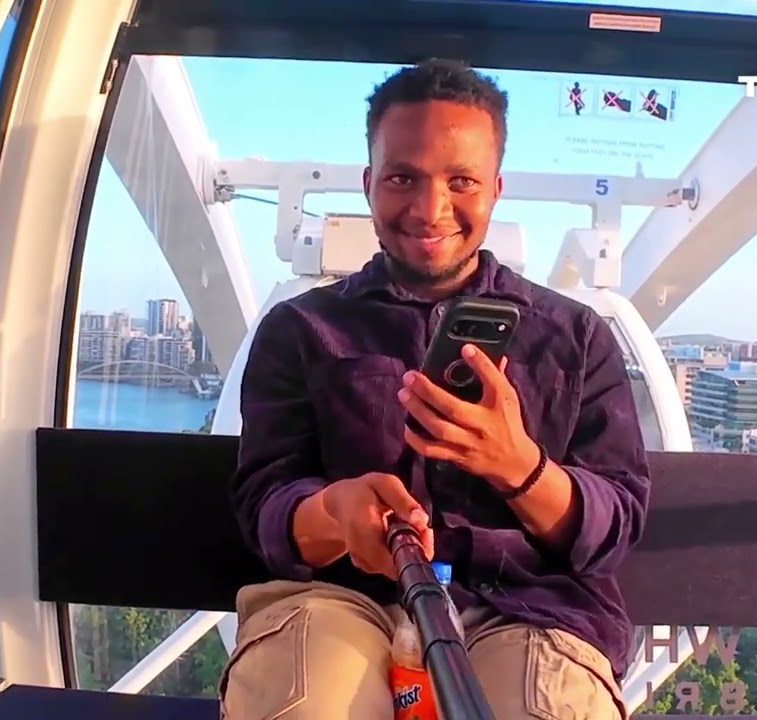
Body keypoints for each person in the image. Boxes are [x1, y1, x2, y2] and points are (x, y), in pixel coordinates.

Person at [224, 58, 651, 719]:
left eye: (461, 181)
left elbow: (614, 526)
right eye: (402, 178)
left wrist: (518, 465)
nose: (430, 210)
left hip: (530, 610)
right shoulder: (302, 330)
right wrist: (334, 512)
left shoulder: (576, 337)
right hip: (343, 599)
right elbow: (266, 505)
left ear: (495, 189)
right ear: (369, 184)